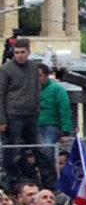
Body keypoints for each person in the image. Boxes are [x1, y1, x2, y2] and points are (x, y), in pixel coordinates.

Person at [0, 38, 41, 185]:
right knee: (14, 151)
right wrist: (2, 120)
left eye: (22, 52)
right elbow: (1, 94)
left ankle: (47, 181)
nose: (19, 55)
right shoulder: (6, 69)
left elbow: (37, 90)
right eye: (16, 52)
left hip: (31, 115)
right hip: (13, 115)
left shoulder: (34, 67)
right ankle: (12, 182)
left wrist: (37, 110)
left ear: (28, 52)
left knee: (39, 150)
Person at [37, 63, 71, 161]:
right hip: (33, 124)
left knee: (47, 147)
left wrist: (65, 132)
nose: (37, 79)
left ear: (47, 76)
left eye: (40, 76)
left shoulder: (57, 89)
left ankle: (50, 173)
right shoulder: (29, 90)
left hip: (51, 124)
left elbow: (65, 110)